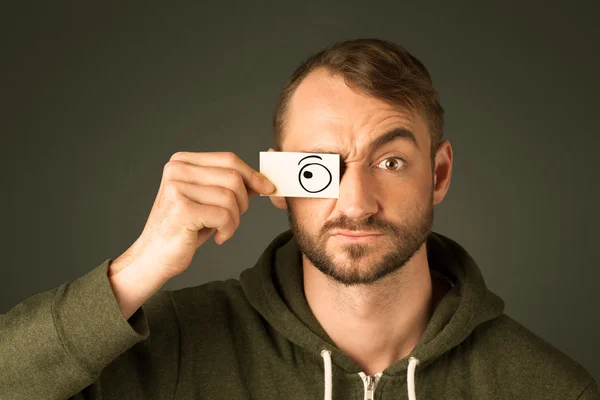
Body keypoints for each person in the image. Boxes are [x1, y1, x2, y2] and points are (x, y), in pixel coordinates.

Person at [1, 39, 597, 400]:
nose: (357, 202)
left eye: (391, 161)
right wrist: (136, 269)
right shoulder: (177, 347)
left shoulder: (546, 387)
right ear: (281, 181)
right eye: (321, 167)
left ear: (438, 174)